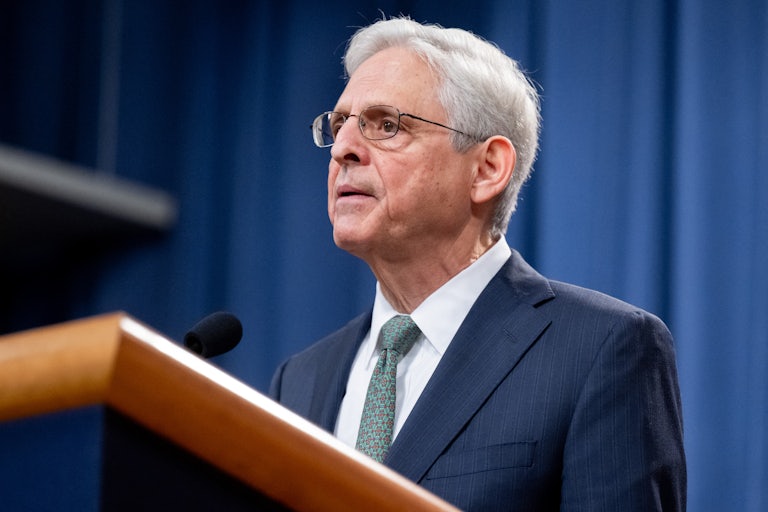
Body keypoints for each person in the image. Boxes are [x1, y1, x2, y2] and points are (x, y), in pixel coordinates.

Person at [269, 16, 686, 511]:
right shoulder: (299, 379)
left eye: (385, 125)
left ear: (487, 169)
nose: (343, 151)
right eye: (339, 126)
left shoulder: (600, 351)